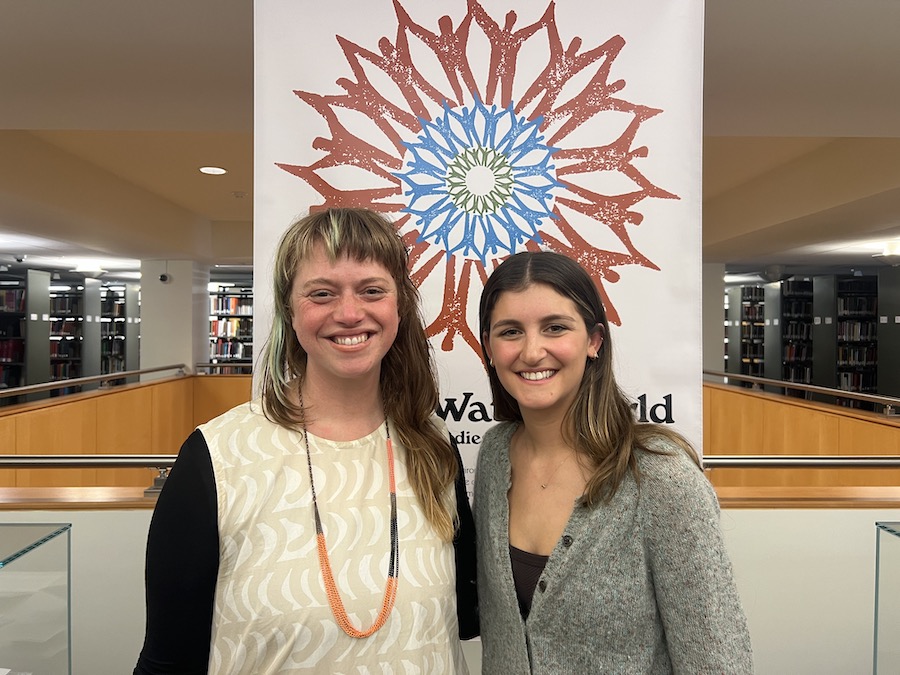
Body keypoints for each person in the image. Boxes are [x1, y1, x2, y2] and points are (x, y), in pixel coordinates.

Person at [134, 208, 478, 674]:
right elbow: (167, 663)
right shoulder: (216, 458)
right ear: (290, 311)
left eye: (372, 290)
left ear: (400, 307)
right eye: (322, 293)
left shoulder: (433, 445)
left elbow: (464, 620)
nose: (350, 313)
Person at [474, 251, 752, 673]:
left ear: (593, 341)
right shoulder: (495, 457)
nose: (532, 352)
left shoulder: (660, 478)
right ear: (489, 349)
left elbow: (716, 659)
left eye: (555, 327)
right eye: (510, 331)